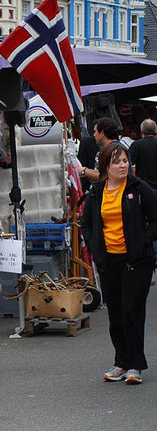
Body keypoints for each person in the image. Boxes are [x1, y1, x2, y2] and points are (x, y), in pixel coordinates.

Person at [80, 143, 157, 385]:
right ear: (106, 166)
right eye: (117, 162)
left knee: (131, 310)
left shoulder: (138, 187)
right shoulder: (97, 191)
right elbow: (87, 223)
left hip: (137, 261)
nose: (123, 166)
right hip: (109, 260)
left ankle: (135, 365)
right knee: (116, 314)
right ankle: (120, 362)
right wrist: (94, 247)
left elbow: (155, 219)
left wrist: (143, 241)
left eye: (125, 161)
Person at [79, 117, 120, 183]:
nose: (94, 135)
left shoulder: (115, 150)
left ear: (102, 133)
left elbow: (105, 176)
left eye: (95, 131)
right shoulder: (111, 148)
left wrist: (84, 172)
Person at [128, 118, 157, 190]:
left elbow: (127, 162)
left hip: (144, 187)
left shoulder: (136, 145)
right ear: (156, 131)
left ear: (142, 132)